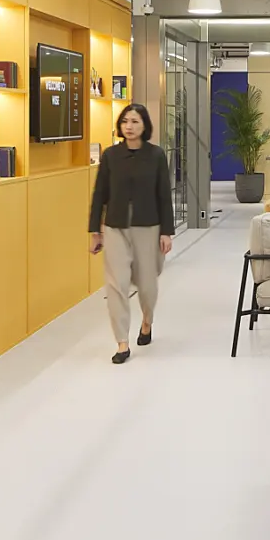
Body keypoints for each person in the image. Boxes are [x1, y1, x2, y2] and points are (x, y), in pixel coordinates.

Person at [89, 104, 174, 364]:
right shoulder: (111, 156)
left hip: (147, 227)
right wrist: (95, 229)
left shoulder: (156, 155)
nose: (129, 126)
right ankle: (122, 343)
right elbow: (99, 194)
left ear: (144, 125)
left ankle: (146, 321)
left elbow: (163, 195)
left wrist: (166, 232)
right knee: (117, 285)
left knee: (147, 285)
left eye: (135, 121)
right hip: (115, 227)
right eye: (125, 121)